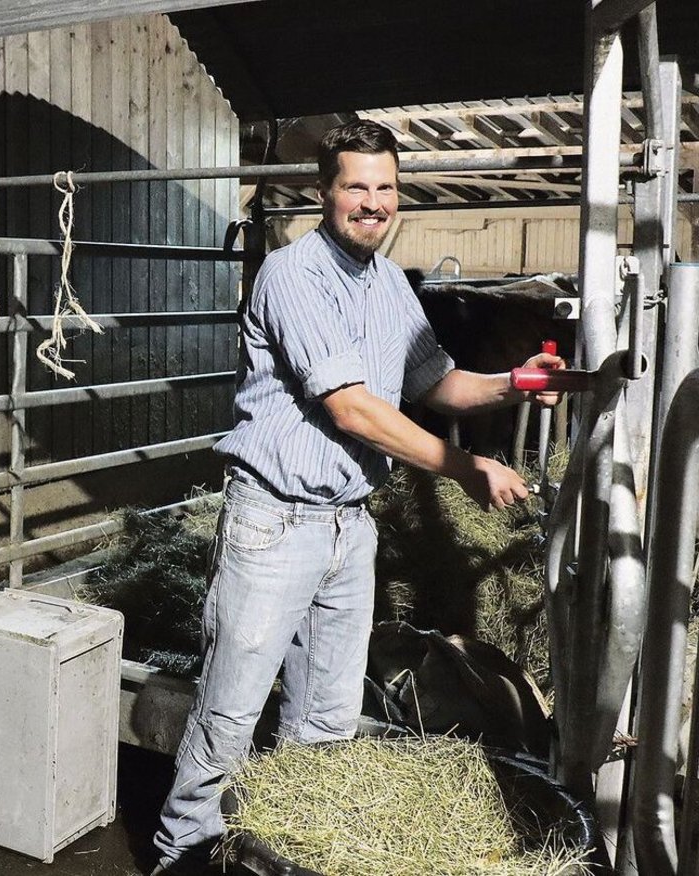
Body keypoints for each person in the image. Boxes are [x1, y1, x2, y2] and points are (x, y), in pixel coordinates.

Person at [150, 120, 564, 873]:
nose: (372, 204)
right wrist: (466, 468)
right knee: (229, 721)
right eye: (356, 187)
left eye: (385, 188)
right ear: (324, 193)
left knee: (327, 725)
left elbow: (435, 382)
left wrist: (515, 380)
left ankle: (279, 857)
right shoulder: (291, 275)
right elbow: (352, 408)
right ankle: (181, 857)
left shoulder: (389, 285)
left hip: (350, 528)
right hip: (274, 525)